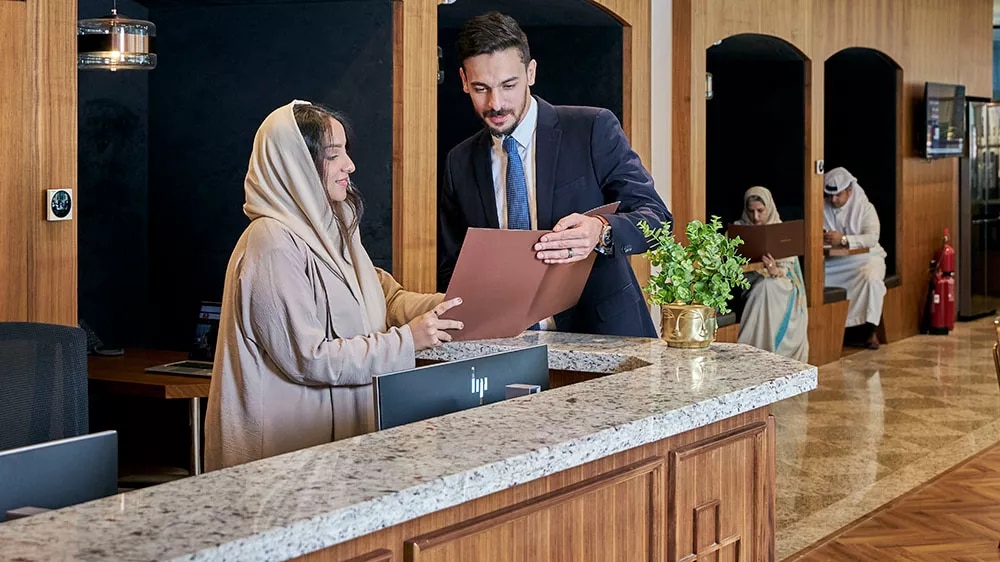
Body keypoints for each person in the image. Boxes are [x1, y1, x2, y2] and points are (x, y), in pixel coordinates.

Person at [205, 101, 463, 471]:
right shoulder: (272, 242)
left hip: (325, 452)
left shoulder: (331, 228)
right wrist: (408, 341)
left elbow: (384, 297)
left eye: (346, 151)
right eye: (333, 155)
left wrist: (452, 304)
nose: (350, 165)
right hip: (282, 463)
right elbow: (308, 358)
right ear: (295, 165)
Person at [438, 11, 671, 338]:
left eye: (509, 85)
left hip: (605, 336)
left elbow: (658, 220)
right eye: (481, 88)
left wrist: (601, 231)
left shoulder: (592, 129)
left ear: (531, 72)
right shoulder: (459, 162)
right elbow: (453, 268)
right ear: (464, 80)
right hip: (506, 343)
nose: (496, 103)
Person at [734, 187, 809, 362]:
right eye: (751, 211)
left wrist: (775, 271)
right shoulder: (738, 229)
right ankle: (753, 350)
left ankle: (758, 347)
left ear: (769, 208)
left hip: (782, 282)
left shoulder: (780, 228)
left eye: (760, 211)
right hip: (750, 281)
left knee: (767, 286)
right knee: (763, 287)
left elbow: (789, 269)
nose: (756, 217)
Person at [823, 166, 887, 350]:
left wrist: (843, 240)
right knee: (817, 279)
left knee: (871, 278)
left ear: (849, 190)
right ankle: (833, 330)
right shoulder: (822, 207)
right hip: (834, 262)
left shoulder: (865, 208)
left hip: (865, 258)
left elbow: (872, 238)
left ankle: (867, 331)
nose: (833, 200)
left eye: (838, 195)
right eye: (830, 195)